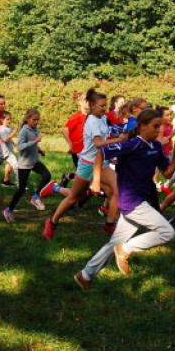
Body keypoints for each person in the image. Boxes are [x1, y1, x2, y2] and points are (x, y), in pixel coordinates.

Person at [73, 109, 175, 290]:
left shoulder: (156, 146)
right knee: (167, 232)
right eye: (155, 126)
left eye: (160, 126)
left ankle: (85, 275)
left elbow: (167, 172)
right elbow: (101, 153)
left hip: (141, 199)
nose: (159, 130)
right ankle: (127, 249)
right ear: (142, 127)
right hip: (131, 201)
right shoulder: (133, 144)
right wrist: (96, 181)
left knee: (114, 243)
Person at [43, 88, 120, 240]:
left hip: (101, 163)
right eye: (101, 106)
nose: (105, 109)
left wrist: (111, 155)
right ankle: (52, 222)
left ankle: (110, 224)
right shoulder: (91, 121)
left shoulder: (102, 118)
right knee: (74, 197)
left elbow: (105, 140)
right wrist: (120, 140)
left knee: (117, 190)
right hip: (87, 164)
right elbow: (98, 143)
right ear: (92, 106)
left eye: (105, 105)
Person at [4, 108, 69, 222]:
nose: (36, 122)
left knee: (47, 175)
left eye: (38, 120)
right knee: (21, 189)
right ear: (28, 119)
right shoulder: (24, 130)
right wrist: (34, 142)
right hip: (24, 164)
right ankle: (8, 210)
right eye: (34, 120)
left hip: (34, 161)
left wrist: (39, 150)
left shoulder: (35, 129)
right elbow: (20, 147)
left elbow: (33, 145)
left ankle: (35, 196)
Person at [61, 92, 88, 185]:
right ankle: (75, 193)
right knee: (82, 173)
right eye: (86, 100)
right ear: (80, 102)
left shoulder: (91, 117)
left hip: (87, 149)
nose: (88, 103)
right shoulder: (76, 117)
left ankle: (68, 176)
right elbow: (65, 130)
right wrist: (70, 143)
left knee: (87, 171)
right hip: (78, 150)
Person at [0, 111, 19, 189]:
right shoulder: (2, 129)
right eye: (7, 119)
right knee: (17, 166)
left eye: (10, 119)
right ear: (2, 120)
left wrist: (13, 143)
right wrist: (14, 131)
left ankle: (6, 181)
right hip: (6, 153)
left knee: (11, 166)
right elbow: (5, 139)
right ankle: (20, 184)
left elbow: (9, 138)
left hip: (9, 152)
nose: (9, 121)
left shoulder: (7, 128)